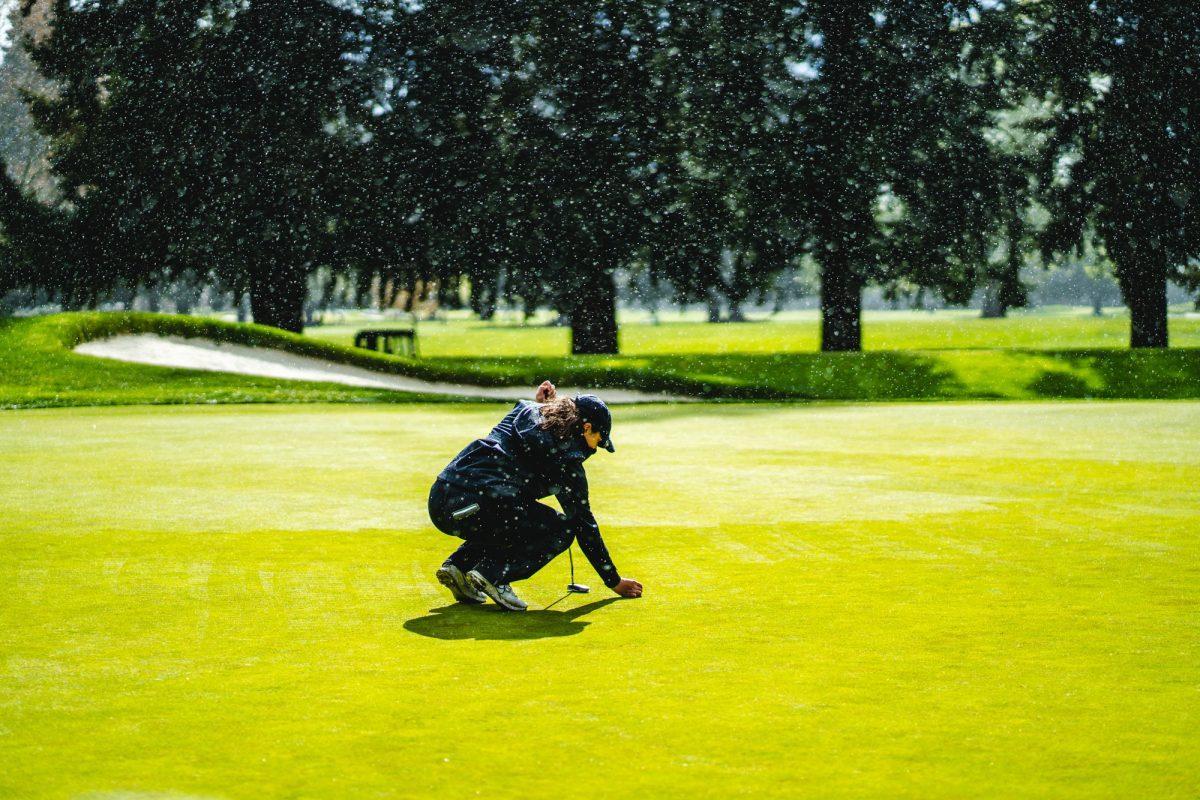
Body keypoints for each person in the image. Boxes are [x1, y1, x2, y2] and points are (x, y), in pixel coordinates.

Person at [427, 380, 643, 611]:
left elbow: (537, 421)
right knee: (560, 529)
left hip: (443, 501)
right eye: (598, 440)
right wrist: (614, 581)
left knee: (513, 513)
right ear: (587, 428)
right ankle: (493, 575)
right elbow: (584, 524)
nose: (594, 449)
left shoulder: (524, 410)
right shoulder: (567, 463)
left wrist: (544, 404)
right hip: (480, 506)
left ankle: (458, 567)